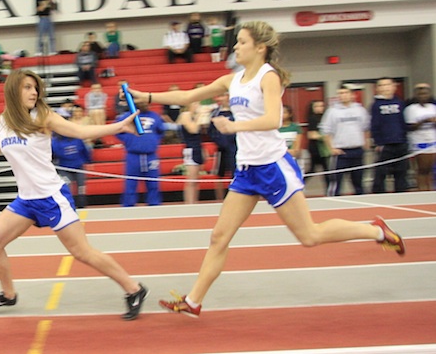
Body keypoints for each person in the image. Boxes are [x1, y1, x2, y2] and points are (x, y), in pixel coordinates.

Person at [127, 20, 405, 317]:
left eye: (242, 42)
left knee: (309, 236)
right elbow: (186, 97)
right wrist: (148, 98)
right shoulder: (233, 79)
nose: (235, 46)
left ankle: (375, 231)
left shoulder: (267, 76)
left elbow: (273, 119)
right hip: (247, 170)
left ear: (259, 47)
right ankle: (193, 301)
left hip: (273, 166)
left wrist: (234, 126)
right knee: (219, 236)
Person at [0, 69, 148, 320]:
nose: (34, 92)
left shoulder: (43, 116)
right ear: (13, 90)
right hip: (26, 200)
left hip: (52, 197)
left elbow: (80, 132)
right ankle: (9, 294)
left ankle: (134, 289)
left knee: (82, 253)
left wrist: (118, 126)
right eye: (27, 87)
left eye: (35, 88)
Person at [320, 85, 370, 196]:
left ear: (352, 95)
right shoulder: (332, 111)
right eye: (340, 93)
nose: (343, 95)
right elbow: (325, 131)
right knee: (336, 182)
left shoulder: (360, 110)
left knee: (358, 182)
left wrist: (365, 144)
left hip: (357, 150)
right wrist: (331, 148)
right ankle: (333, 204)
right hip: (340, 152)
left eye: (345, 93)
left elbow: (365, 128)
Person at [115, 102, 165, 207]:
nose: (146, 105)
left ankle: (154, 206)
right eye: (143, 104)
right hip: (133, 155)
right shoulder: (127, 116)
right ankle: (128, 208)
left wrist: (153, 140)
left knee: (153, 184)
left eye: (147, 103)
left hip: (151, 155)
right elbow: (117, 130)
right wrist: (129, 140)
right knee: (130, 184)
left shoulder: (155, 116)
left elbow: (161, 131)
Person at [370, 77, 409, 194]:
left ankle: (401, 194)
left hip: (400, 142)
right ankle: (379, 195)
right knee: (381, 172)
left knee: (401, 171)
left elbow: (403, 122)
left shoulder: (400, 103)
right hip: (385, 145)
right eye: (381, 85)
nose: (385, 88)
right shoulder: (376, 105)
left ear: (394, 86)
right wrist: (378, 142)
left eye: (387, 85)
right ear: (377, 88)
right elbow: (374, 125)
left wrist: (405, 139)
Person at [51, 111, 92, 209]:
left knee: (81, 188)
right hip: (64, 168)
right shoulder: (54, 140)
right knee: (67, 188)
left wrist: (87, 160)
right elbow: (53, 154)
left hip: (78, 167)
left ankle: (82, 206)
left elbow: (84, 150)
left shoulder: (76, 136)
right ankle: (69, 207)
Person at [404, 83, 436, 191]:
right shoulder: (411, 109)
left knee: (430, 170)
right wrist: (425, 121)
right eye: (420, 93)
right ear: (416, 94)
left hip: (433, 141)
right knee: (422, 169)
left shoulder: (433, 107)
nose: (423, 95)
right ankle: (421, 190)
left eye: (425, 93)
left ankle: (429, 189)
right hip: (419, 142)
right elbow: (410, 127)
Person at [208, 92, 236, 200]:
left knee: (235, 173)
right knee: (219, 174)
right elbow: (211, 130)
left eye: (226, 95)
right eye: (222, 95)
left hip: (236, 147)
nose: (225, 98)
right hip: (221, 148)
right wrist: (218, 141)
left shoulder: (236, 111)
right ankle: (219, 200)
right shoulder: (215, 113)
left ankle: (234, 198)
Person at [177, 101, 205, 204]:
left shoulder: (193, 116)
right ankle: (189, 203)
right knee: (191, 179)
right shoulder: (185, 115)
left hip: (197, 147)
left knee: (196, 179)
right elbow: (193, 129)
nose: (198, 106)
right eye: (195, 104)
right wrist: (199, 116)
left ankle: (194, 201)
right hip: (190, 148)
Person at [306, 100, 330, 189]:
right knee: (314, 169)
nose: (320, 108)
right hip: (316, 148)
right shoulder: (313, 118)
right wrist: (325, 138)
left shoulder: (325, 118)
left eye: (321, 106)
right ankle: (300, 183)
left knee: (326, 169)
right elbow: (311, 135)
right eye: (316, 106)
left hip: (324, 147)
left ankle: (329, 187)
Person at [278, 104, 303, 173]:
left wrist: (294, 150)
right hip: (279, 155)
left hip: (292, 155)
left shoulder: (295, 127)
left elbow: (297, 143)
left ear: (290, 114)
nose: (282, 114)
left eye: (284, 112)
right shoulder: (275, 128)